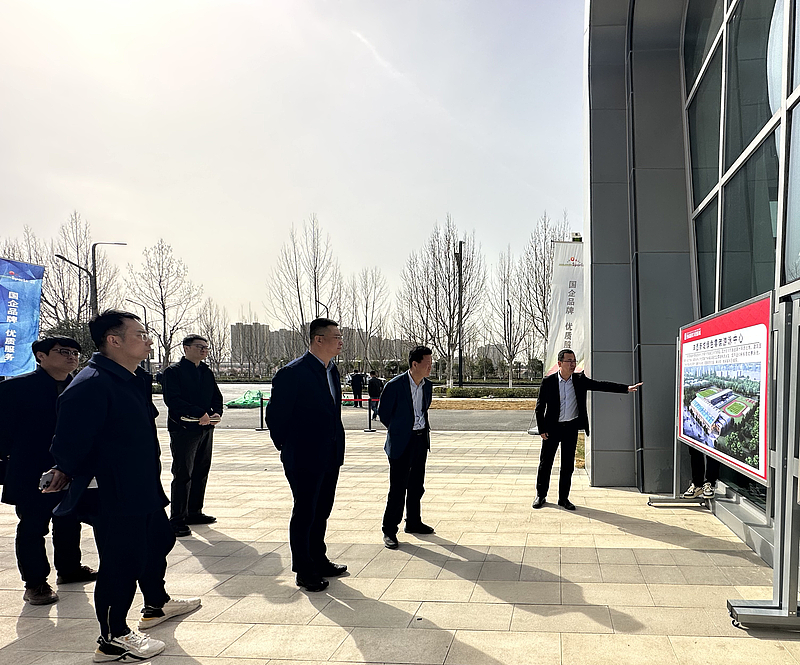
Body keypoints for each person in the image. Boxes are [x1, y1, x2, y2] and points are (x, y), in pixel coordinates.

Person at [46, 310, 200, 662]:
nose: (148, 340)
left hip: (140, 484)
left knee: (158, 541)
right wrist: (69, 470)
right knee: (122, 563)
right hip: (114, 490)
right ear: (113, 340)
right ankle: (112, 637)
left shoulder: (131, 378)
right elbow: (68, 444)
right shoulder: (92, 383)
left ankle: (156, 604)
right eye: (140, 334)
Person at [0, 337, 96, 606]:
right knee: (33, 526)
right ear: (40, 356)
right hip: (31, 469)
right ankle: (35, 583)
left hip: (71, 467)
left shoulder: (82, 387)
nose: (71, 356)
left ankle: (69, 569)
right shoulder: (15, 388)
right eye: (63, 352)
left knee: (69, 520)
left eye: (75, 352)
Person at [266, 317, 347, 592]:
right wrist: (288, 447)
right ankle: (303, 569)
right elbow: (276, 416)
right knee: (305, 512)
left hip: (330, 453)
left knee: (322, 510)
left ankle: (318, 558)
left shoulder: (332, 370)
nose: (341, 341)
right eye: (337, 337)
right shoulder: (293, 373)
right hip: (303, 456)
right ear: (318, 339)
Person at [533, 348, 642, 510]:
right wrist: (542, 429)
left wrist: (625, 388)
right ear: (560, 363)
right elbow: (539, 407)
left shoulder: (579, 380)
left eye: (574, 361)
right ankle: (541, 495)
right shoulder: (548, 382)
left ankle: (563, 498)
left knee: (568, 465)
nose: (573, 364)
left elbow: (600, 385)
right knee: (546, 463)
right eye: (569, 361)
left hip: (570, 428)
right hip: (552, 429)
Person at [162, 335, 223, 537]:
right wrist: (198, 413)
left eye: (206, 347)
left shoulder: (206, 371)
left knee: (201, 470)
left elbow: (216, 396)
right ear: (186, 348)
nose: (204, 350)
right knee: (183, 473)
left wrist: (216, 413)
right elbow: (173, 400)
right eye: (199, 347)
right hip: (184, 429)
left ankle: (194, 512)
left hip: (206, 428)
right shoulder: (173, 372)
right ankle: (177, 519)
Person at [379, 346, 435, 549]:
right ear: (414, 364)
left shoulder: (427, 386)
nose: (430, 367)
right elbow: (384, 414)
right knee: (398, 488)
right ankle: (389, 530)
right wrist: (399, 430)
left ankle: (413, 522)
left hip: (420, 440)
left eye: (431, 363)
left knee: (417, 486)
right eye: (427, 363)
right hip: (401, 442)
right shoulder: (395, 385)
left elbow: (423, 409)